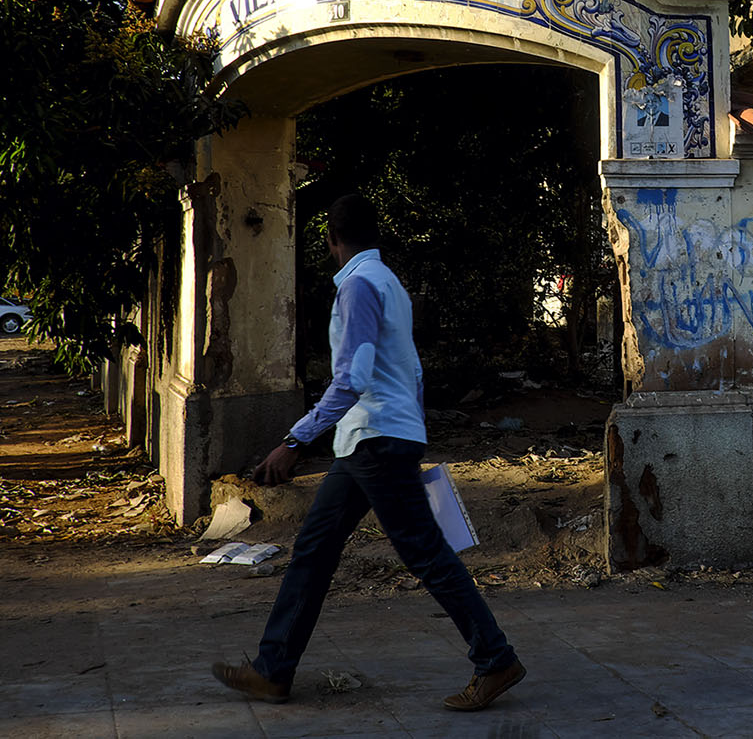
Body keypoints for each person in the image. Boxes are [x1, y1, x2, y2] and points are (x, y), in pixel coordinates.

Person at [211, 194, 525, 711]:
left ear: (332, 239)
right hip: (373, 441)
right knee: (315, 550)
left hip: (373, 440)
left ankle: (496, 657)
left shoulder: (358, 287)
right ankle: (273, 670)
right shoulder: (390, 285)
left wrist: (294, 440)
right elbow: (413, 370)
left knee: (423, 553)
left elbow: (352, 379)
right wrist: (412, 429)